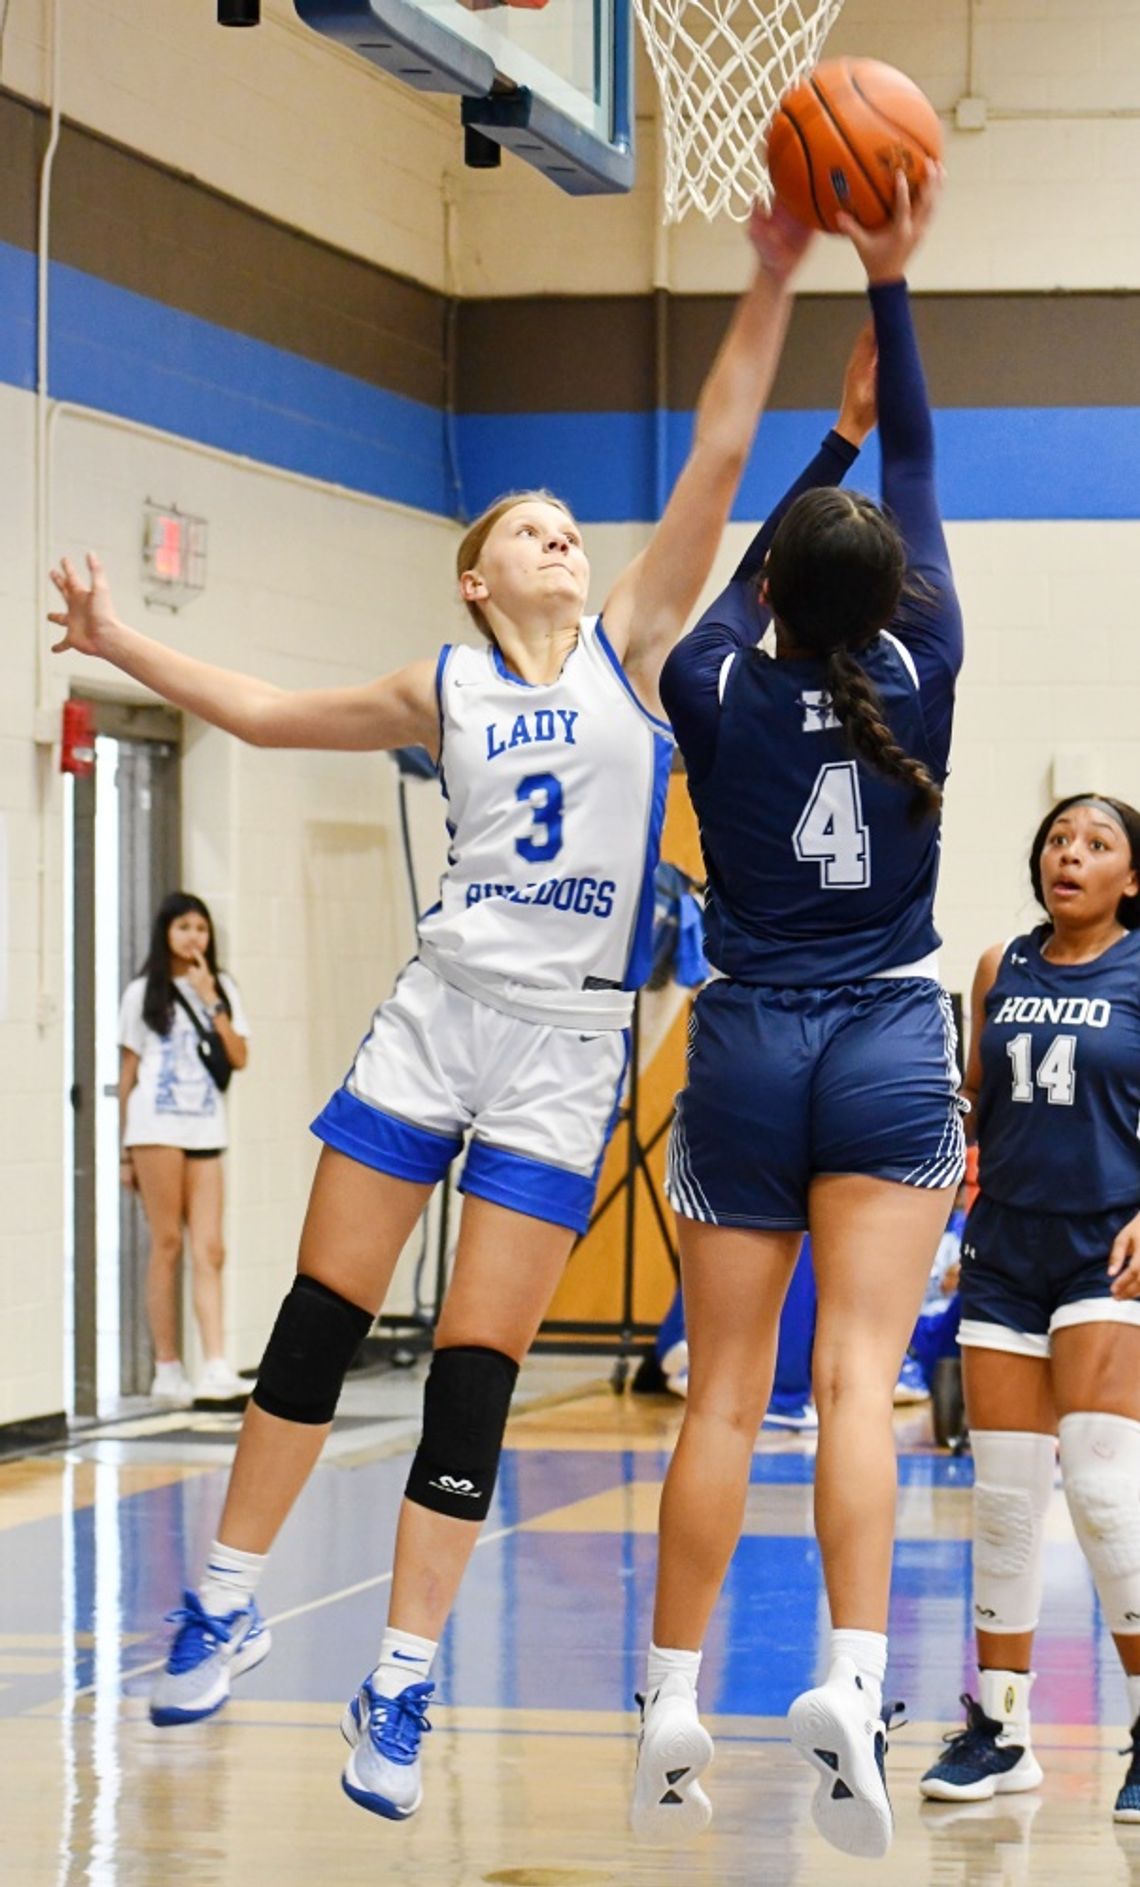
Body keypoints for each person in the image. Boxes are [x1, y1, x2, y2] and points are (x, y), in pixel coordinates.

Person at [48, 202, 821, 1822]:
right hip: (439, 1010)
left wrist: (770, 270)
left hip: (565, 1045)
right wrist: (126, 641)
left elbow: (720, 459)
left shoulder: (632, 648)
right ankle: (228, 1594)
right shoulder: (441, 682)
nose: (561, 537)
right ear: (475, 573)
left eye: (565, 526)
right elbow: (261, 713)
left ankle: (398, 1682)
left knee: (474, 1368)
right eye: (529, 527)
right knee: (321, 1322)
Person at [631, 169, 964, 1862]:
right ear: (888, 595)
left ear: (775, 589)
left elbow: (784, 559)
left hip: (750, 1037)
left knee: (721, 1396)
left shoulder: (709, 681)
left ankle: (674, 1692)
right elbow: (923, 476)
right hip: (891, 1037)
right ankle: (850, 1675)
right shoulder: (930, 659)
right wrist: (892, 291)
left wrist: (821, 446)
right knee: (853, 1384)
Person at [919, 794, 1140, 1823]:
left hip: (1108, 1253)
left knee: (1102, 1494)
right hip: (1004, 1248)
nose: (1071, 855)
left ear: (1131, 880)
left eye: (1097, 845)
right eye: (1059, 839)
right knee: (1006, 1500)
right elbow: (973, 1100)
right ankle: (1002, 1730)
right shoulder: (998, 964)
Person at [119, 891, 250, 1405]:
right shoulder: (142, 994)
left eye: (201, 927)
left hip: (206, 1129)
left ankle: (216, 1364)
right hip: (155, 1128)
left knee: (210, 1249)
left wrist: (212, 999)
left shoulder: (224, 988)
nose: (194, 937)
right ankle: (167, 1366)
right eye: (183, 928)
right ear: (165, 935)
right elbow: (127, 1076)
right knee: (168, 1243)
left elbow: (239, 1056)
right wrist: (123, 1153)